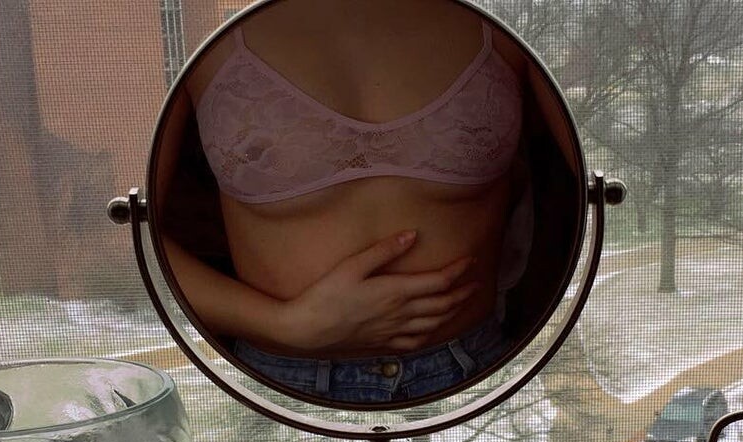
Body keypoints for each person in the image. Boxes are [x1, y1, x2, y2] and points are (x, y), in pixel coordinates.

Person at [154, 0, 579, 404]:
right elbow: (132, 234)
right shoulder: (196, 32)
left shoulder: (507, 20)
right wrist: (285, 325)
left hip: (478, 379)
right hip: (277, 388)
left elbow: (604, 194)